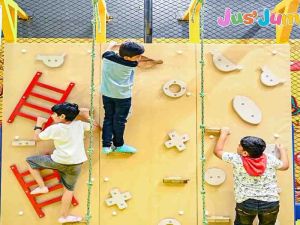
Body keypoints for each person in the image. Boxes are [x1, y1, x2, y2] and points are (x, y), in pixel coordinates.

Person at [26, 102, 95, 223]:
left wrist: (39, 124)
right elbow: (96, 127)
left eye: (54, 114)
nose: (52, 116)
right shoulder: (79, 125)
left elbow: (36, 138)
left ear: (62, 116)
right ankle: (63, 217)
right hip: (76, 164)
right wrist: (86, 116)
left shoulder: (55, 128)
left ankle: (42, 187)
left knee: (30, 161)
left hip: (58, 161)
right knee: (68, 190)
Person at [213, 127, 289, 225]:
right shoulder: (270, 159)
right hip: (270, 202)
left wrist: (224, 133)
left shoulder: (237, 160)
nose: (238, 145)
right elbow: (285, 166)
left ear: (245, 153)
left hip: (246, 203)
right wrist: (282, 150)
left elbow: (217, 151)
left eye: (240, 145)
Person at [101, 41, 145, 154]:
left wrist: (111, 44)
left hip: (107, 94)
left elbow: (108, 51)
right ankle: (119, 145)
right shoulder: (131, 64)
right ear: (126, 57)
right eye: (137, 56)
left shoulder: (107, 57)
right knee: (119, 121)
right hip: (122, 97)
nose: (139, 58)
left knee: (108, 118)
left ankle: (106, 146)